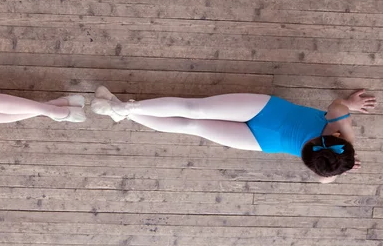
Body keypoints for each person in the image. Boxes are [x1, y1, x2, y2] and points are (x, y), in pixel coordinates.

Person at [90, 86, 376, 183]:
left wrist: (339, 164)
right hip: (267, 112)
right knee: (196, 110)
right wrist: (338, 170)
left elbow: (338, 108)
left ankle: (121, 110)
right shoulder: (340, 132)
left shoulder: (338, 136)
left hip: (263, 140)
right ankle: (122, 108)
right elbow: (338, 105)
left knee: (193, 124)